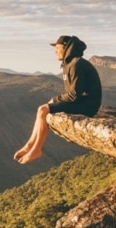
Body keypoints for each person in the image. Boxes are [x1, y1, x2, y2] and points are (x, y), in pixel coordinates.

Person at [14, 35, 102, 164]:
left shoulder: (76, 64)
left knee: (43, 109)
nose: (55, 51)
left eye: (57, 47)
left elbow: (73, 94)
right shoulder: (70, 63)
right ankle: (29, 145)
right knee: (43, 109)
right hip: (82, 102)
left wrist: (55, 99)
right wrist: (56, 101)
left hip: (88, 106)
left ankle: (37, 149)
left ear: (66, 48)